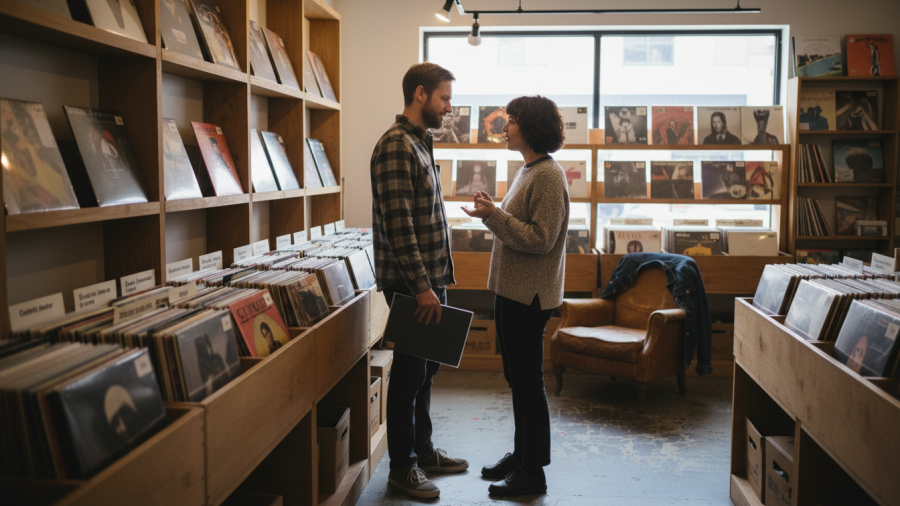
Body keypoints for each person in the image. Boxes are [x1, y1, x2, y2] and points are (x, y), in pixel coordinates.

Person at [462, 95, 569, 498]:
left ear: (530, 126)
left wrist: (494, 216)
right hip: (513, 292)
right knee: (517, 379)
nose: (504, 129)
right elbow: (519, 226)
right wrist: (494, 212)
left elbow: (540, 240)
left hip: (530, 297)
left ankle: (533, 473)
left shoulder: (546, 176)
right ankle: (522, 456)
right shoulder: (530, 170)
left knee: (528, 382)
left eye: (511, 122)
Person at [369, 62, 468, 499]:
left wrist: (435, 281)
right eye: (444, 98)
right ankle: (401, 468)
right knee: (408, 375)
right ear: (421, 94)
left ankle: (424, 452)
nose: (449, 108)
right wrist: (423, 287)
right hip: (413, 284)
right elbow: (400, 225)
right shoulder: (395, 146)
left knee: (426, 371)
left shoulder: (421, 143)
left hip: (430, 279)